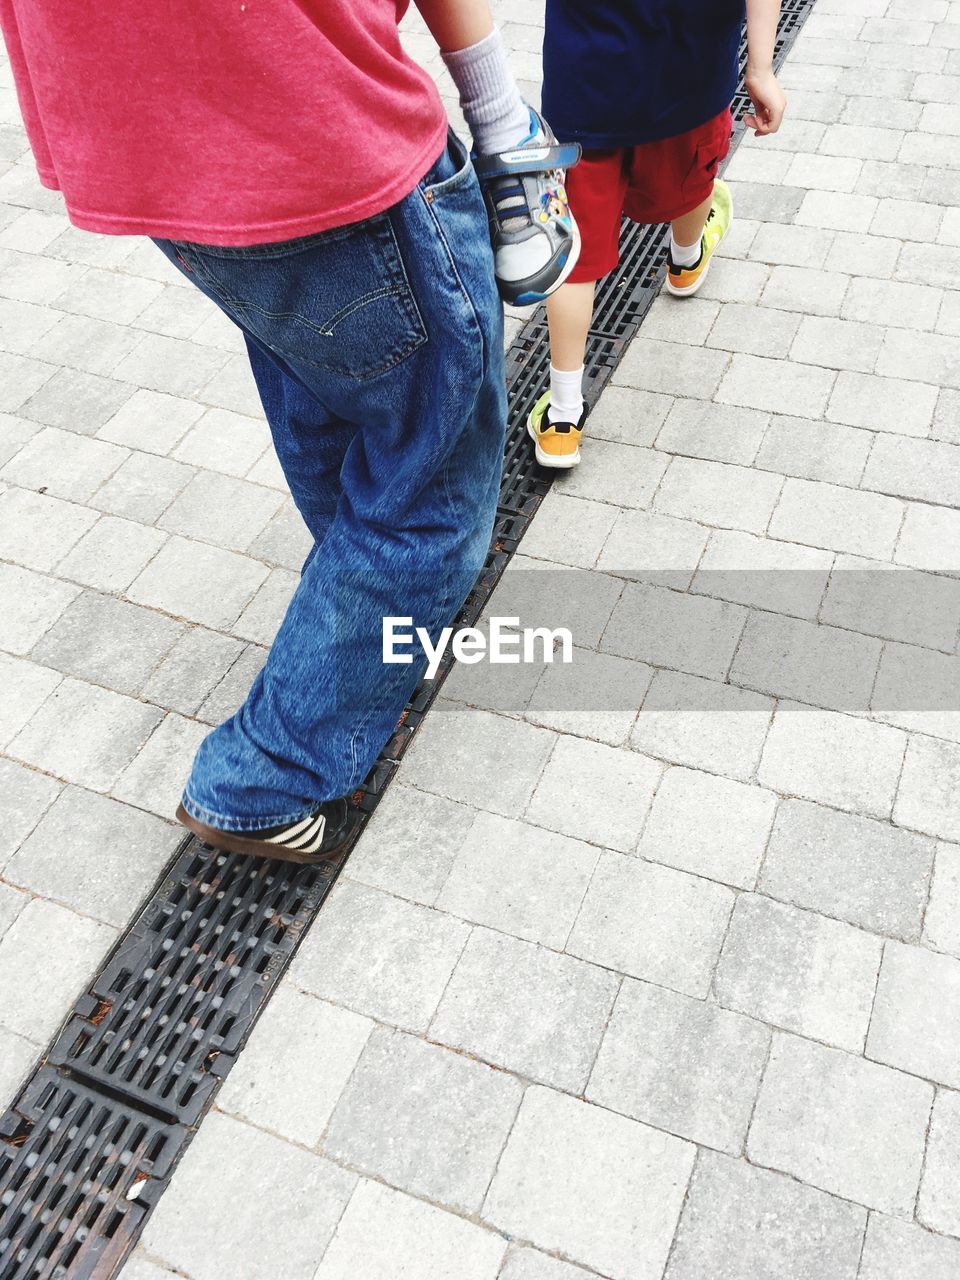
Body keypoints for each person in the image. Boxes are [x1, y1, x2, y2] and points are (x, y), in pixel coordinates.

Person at [1, 0, 578, 863]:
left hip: (138, 149)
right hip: (320, 141)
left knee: (326, 402)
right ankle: (262, 778)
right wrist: (502, 120)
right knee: (430, 492)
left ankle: (368, 636)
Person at [527, 0, 788, 469]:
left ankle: (563, 418)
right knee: (692, 176)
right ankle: (686, 261)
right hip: (692, 70)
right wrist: (762, 68)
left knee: (576, 257)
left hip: (587, 79)